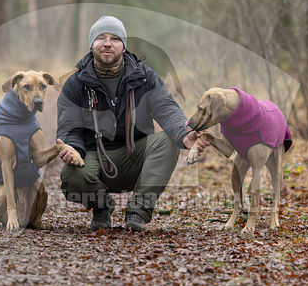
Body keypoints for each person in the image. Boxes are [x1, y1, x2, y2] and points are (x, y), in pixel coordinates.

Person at [56, 16, 206, 231]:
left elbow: (166, 108)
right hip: (93, 156)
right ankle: (102, 208)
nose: (108, 43)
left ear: (124, 47)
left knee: (168, 140)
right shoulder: (75, 84)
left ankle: (138, 211)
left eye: (115, 38)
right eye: (101, 38)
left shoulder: (144, 77)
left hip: (134, 156)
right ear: (92, 45)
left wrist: (184, 135)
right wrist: (71, 148)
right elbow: (68, 127)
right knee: (72, 175)